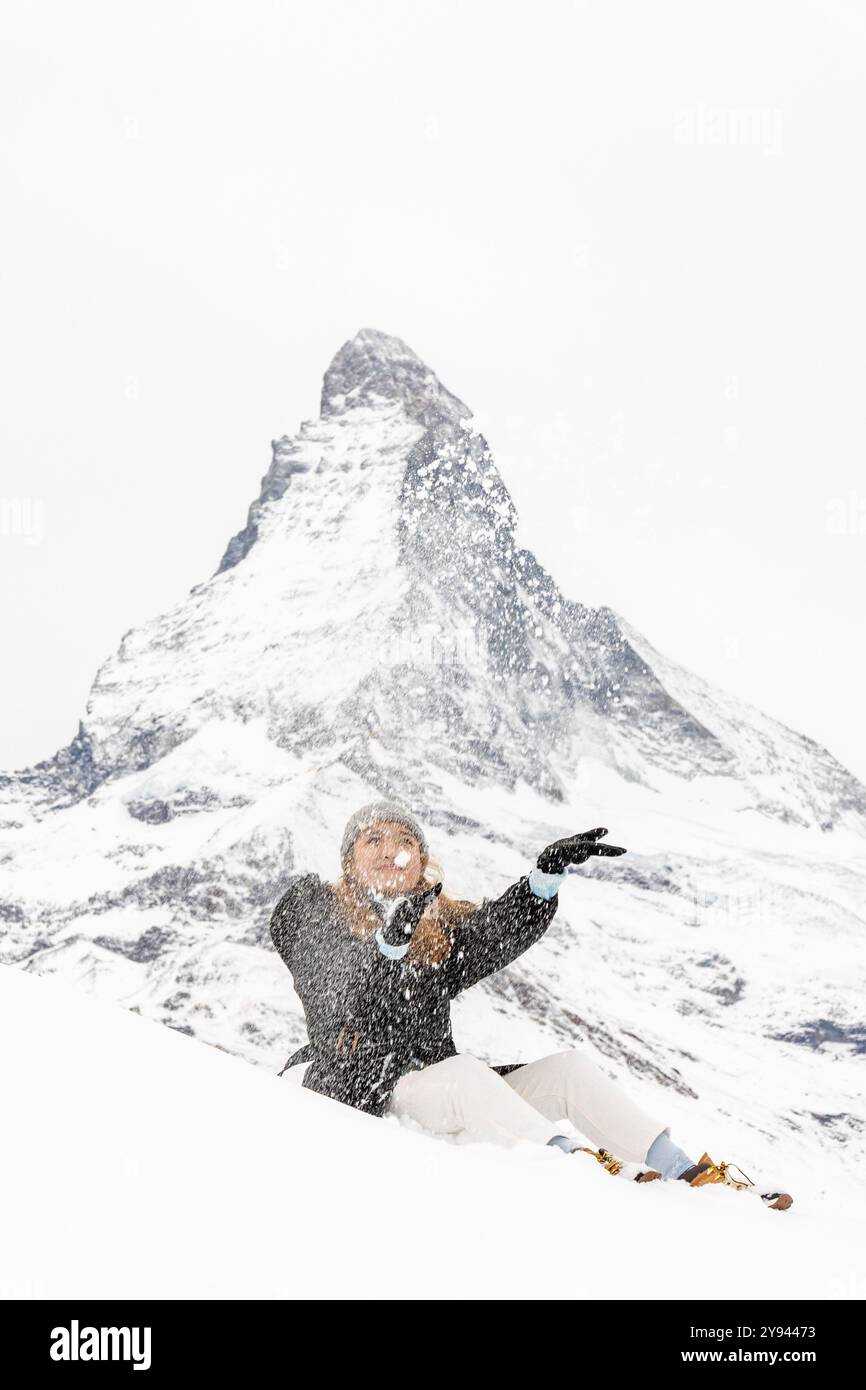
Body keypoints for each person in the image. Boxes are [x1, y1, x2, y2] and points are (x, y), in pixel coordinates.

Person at [269, 800, 792, 1210]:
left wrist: (543, 880)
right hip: (366, 1093)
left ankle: (686, 1173)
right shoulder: (312, 908)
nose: (393, 850)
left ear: (421, 865)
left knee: (567, 1072)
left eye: (407, 841)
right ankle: (578, 1169)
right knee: (465, 1073)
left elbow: (494, 932)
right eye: (373, 839)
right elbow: (336, 993)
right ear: (348, 857)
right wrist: (388, 944)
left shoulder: (433, 930)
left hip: (442, 1088)